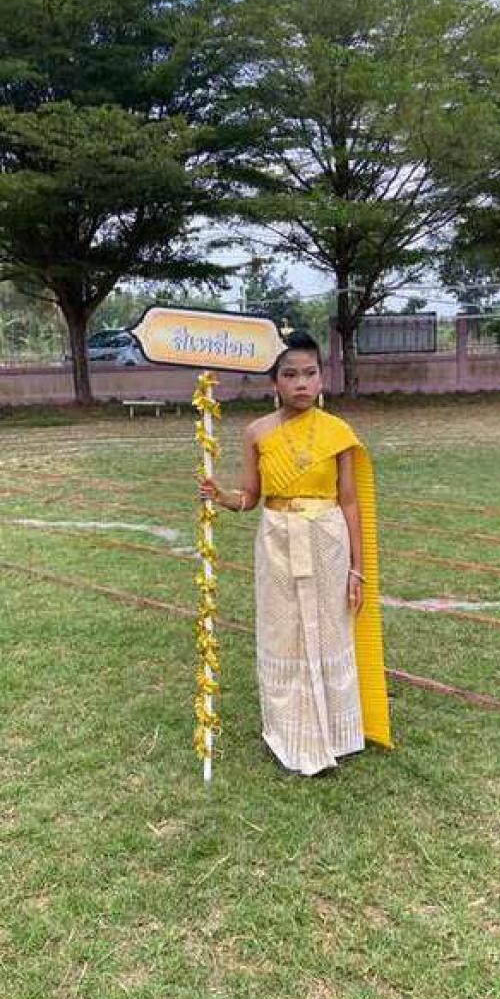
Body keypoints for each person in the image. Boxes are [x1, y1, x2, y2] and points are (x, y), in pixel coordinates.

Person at [198, 331, 391, 775]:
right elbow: (251, 497)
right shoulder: (256, 433)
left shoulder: (338, 433)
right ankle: (290, 734)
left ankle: (337, 734)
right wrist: (222, 496)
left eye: (310, 373)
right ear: (275, 382)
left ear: (322, 378)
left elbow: (349, 501)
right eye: (289, 375)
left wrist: (358, 569)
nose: (301, 383)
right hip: (277, 540)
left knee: (331, 630)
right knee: (282, 631)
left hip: (327, 540)